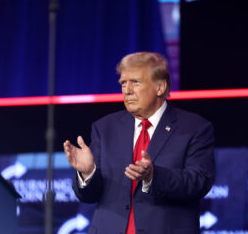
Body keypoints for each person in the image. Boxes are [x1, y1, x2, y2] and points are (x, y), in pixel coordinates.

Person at [64, 52, 215, 234]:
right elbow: (89, 196)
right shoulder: (105, 128)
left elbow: (199, 182)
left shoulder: (194, 127)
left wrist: (153, 176)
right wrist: (88, 173)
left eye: (135, 82)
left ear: (160, 87)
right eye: (123, 83)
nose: (127, 90)